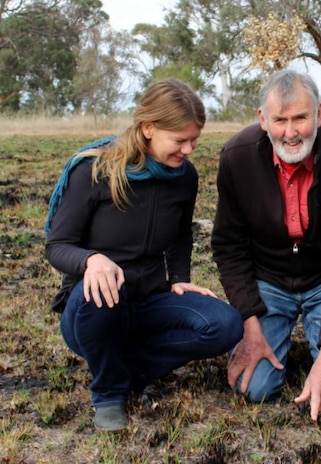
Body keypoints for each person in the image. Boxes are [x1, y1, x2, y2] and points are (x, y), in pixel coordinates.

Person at [45, 79, 243, 431]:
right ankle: (108, 395)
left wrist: (180, 280)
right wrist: (91, 260)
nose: (189, 150)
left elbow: (181, 234)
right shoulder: (94, 169)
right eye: (180, 140)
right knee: (107, 284)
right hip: (92, 310)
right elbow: (57, 245)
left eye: (194, 140)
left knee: (224, 325)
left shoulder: (184, 177)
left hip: (150, 298)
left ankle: (128, 370)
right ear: (149, 128)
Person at [211, 69, 321, 421]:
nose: (291, 132)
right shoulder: (236, 158)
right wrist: (251, 328)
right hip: (268, 281)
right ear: (263, 120)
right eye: (280, 120)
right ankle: (277, 336)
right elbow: (229, 246)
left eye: (300, 117)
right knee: (254, 388)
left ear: (319, 113)